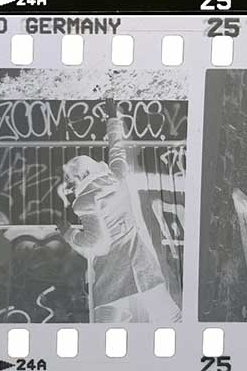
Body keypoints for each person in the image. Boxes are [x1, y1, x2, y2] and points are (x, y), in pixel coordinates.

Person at [56, 99, 183, 323]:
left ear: (82, 176)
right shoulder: (117, 177)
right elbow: (116, 150)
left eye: (70, 179)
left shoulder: (84, 202)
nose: (68, 184)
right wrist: (113, 118)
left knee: (105, 331)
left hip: (112, 273)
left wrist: (68, 232)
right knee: (170, 319)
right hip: (142, 265)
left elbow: (96, 242)